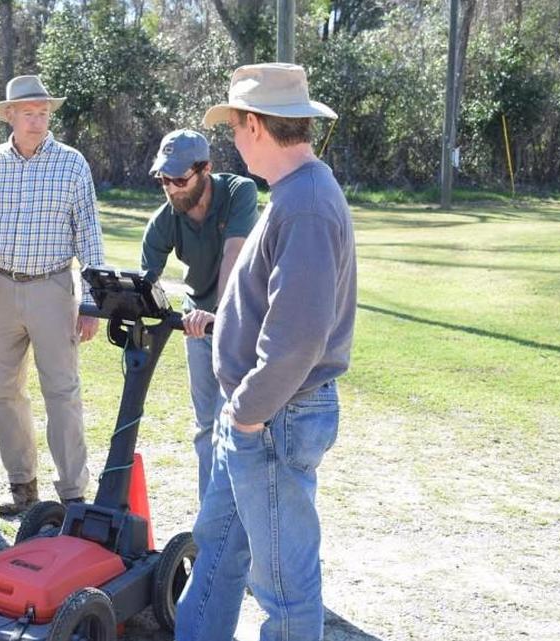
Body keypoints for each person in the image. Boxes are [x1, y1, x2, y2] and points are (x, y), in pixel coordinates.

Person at [174, 63, 357, 641]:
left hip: (274, 416)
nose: (232, 139)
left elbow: (297, 336)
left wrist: (248, 415)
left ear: (254, 124)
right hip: (259, 415)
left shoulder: (304, 202)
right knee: (218, 551)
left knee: (284, 588)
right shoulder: (295, 192)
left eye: (233, 126)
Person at [0, 75, 106, 517]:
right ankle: (22, 487)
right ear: (9, 115)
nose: (37, 121)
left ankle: (72, 494)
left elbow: (89, 236)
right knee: (4, 393)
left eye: (43, 113)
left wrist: (89, 302)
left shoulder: (72, 164)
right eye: (28, 113)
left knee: (62, 392)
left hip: (52, 287)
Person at [140, 129, 258, 501]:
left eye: (179, 179)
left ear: (206, 169)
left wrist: (218, 317)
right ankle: (211, 509)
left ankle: (238, 507)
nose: (171, 188)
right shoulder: (164, 221)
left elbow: (234, 257)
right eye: (164, 179)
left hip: (239, 320)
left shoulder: (238, 192)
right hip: (197, 324)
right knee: (206, 424)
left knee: (235, 421)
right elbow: (146, 283)